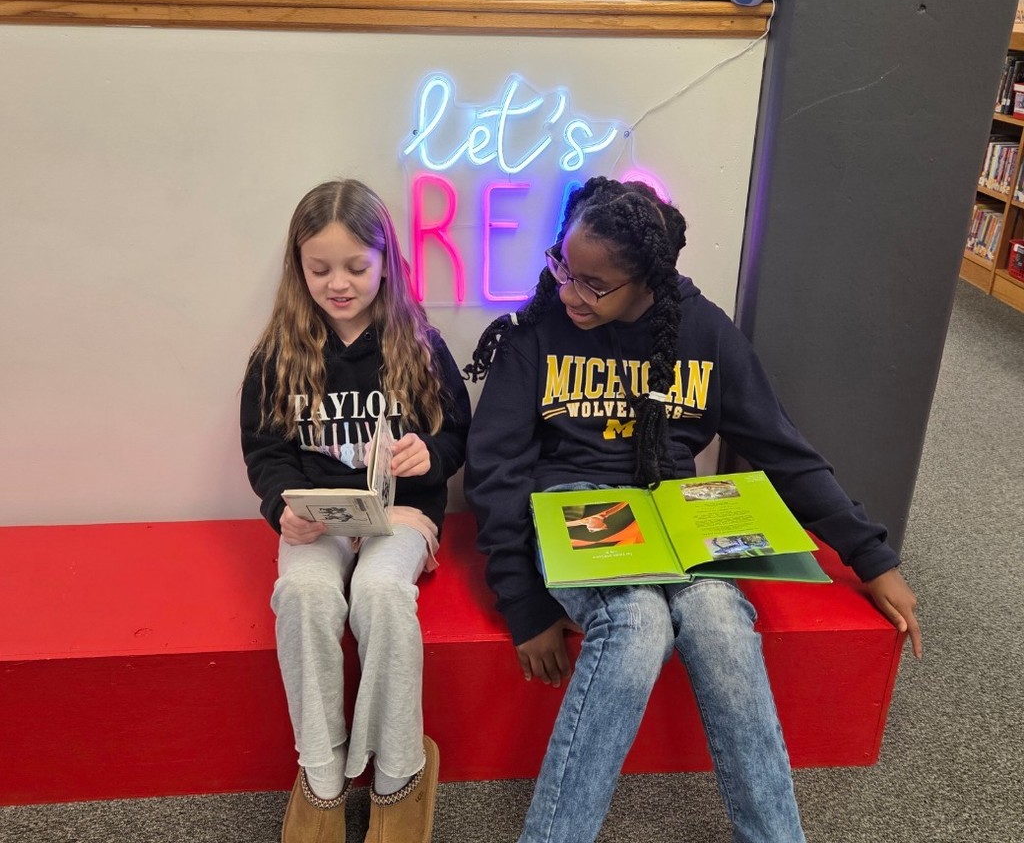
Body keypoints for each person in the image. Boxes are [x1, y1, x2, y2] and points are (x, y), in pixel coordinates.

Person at [462, 176, 922, 843]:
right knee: (637, 622)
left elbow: (781, 448)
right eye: (564, 266)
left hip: (679, 511)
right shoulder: (536, 331)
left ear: (645, 278)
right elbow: (495, 468)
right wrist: (522, 601)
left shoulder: (704, 331)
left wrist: (871, 555)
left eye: (595, 284)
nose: (569, 292)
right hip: (576, 506)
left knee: (718, 619)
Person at [240, 179, 471, 843]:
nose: (338, 283)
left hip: (400, 515)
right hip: (320, 517)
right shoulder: (280, 353)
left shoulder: (417, 341)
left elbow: (457, 433)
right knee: (306, 592)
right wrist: (281, 507)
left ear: (384, 264)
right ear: (299, 268)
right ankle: (322, 773)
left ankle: (398, 772)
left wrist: (429, 454)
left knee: (380, 594)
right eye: (320, 269)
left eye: (356, 267)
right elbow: (265, 450)